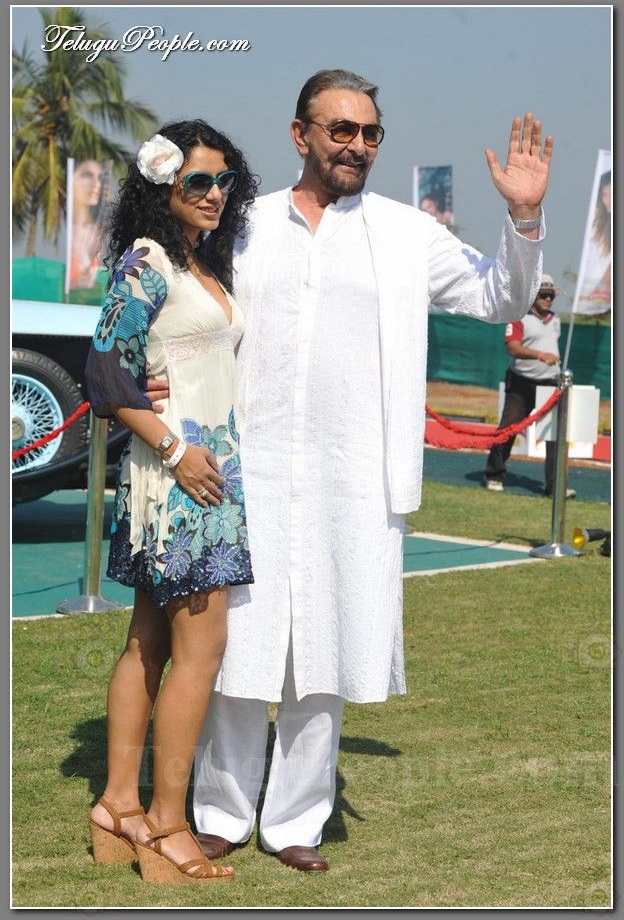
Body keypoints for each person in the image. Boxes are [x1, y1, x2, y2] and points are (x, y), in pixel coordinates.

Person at [148, 69, 552, 873]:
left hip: (356, 475)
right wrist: (158, 376)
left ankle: (296, 820)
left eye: (370, 133)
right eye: (341, 130)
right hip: (245, 471)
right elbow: (185, 309)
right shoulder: (244, 223)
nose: (357, 146)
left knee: (327, 651)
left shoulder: (407, 233)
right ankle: (221, 810)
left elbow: (500, 295)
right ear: (300, 134)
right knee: (237, 645)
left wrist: (525, 214)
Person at [84, 119, 257, 883]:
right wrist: (178, 451)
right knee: (199, 652)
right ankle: (165, 824)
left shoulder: (200, 262)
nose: (215, 193)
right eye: (199, 181)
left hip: (200, 473)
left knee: (149, 642)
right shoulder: (150, 260)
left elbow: (157, 366)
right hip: (182, 479)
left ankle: (117, 806)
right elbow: (104, 371)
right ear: (165, 186)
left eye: (225, 180)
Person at [483, 274, 575, 497]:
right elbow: (512, 347)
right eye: (544, 294)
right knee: (508, 428)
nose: (548, 299)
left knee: (555, 436)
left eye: (551, 295)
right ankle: (494, 475)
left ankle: (555, 487)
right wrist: (540, 355)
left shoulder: (555, 319)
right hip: (521, 384)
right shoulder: (518, 317)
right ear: (533, 295)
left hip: (550, 384)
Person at [69, 159, 107, 289]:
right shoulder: (62, 232)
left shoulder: (100, 234)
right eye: (87, 175)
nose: (96, 184)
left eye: (99, 178)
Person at [578, 169, 611, 311]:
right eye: (604, 194)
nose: (608, 200)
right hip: (595, 294)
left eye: (611, 193)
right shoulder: (597, 225)